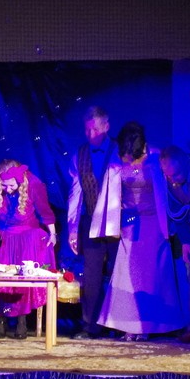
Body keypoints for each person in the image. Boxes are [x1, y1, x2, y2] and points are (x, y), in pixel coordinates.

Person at [97, 122, 189, 340]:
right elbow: (111, 193)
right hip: (130, 222)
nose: (128, 156)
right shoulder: (117, 161)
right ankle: (129, 325)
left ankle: (149, 325)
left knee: (152, 274)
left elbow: (169, 187)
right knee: (127, 273)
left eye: (132, 152)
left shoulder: (156, 157)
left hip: (154, 222)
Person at [0, 160, 57, 339]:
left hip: (27, 236)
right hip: (2, 236)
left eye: (11, 185)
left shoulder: (33, 184)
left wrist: (52, 234)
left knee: (23, 270)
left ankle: (21, 321)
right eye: (4, 185)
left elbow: (45, 212)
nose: (8, 189)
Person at [67, 106, 121, 340]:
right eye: (87, 130)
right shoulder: (79, 154)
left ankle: (120, 323)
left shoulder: (121, 149)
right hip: (91, 221)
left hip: (119, 221)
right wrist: (72, 229)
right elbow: (75, 193)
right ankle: (91, 325)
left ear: (106, 127)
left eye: (95, 129)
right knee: (91, 275)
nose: (91, 135)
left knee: (119, 272)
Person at [160, 146, 190, 345]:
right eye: (168, 175)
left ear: (185, 164)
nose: (172, 180)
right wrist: (186, 242)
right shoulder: (170, 182)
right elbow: (177, 212)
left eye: (176, 174)